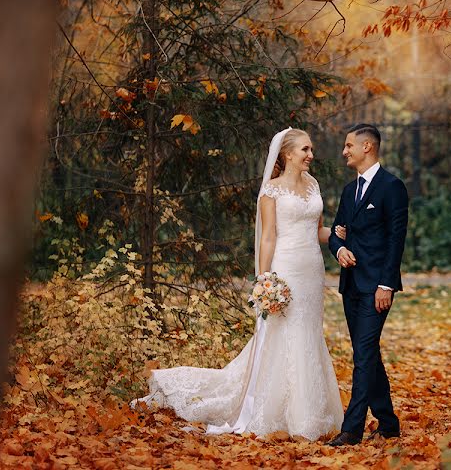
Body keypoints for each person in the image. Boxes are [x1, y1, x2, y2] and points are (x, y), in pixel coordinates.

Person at [132, 128, 344, 440]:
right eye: (305, 150)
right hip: (285, 271)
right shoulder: (270, 192)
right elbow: (269, 236)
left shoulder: (313, 185)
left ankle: (310, 410)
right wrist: (265, 280)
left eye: (311, 150)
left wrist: (345, 233)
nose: (311, 155)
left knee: (309, 333)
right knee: (288, 333)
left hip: (312, 270)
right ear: (287, 155)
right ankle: (292, 415)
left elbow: (319, 231)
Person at [326, 124, 409, 446]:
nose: (344, 151)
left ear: (367, 147)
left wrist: (386, 285)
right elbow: (336, 231)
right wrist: (340, 248)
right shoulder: (350, 191)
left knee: (362, 355)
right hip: (351, 285)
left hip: (377, 287)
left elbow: (395, 241)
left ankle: (352, 429)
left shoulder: (392, 187)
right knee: (367, 353)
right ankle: (388, 424)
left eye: (349, 145)